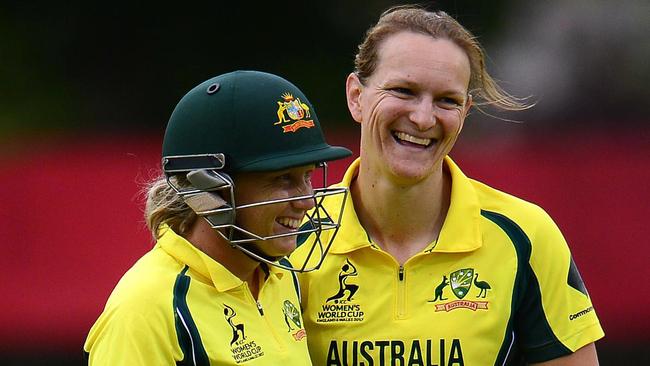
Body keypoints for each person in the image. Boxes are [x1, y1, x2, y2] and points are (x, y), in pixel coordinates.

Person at [290, 6, 604, 365]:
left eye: (447, 100)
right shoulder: (291, 234)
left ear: (466, 112)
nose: (423, 118)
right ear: (356, 97)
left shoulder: (525, 235)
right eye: (403, 90)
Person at [83, 70, 352, 365]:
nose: (307, 201)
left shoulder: (281, 276)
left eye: (308, 176)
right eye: (283, 179)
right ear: (208, 189)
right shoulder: (146, 311)